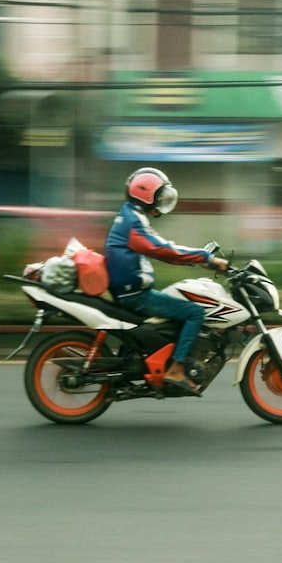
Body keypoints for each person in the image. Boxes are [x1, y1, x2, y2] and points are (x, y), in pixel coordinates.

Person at [104, 167, 229, 395]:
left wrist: (198, 259)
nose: (162, 201)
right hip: (136, 296)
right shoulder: (133, 222)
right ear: (146, 195)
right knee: (194, 312)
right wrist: (207, 259)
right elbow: (162, 249)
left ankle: (169, 355)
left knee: (182, 299)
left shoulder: (130, 214)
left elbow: (163, 247)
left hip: (129, 289)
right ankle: (176, 368)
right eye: (159, 196)